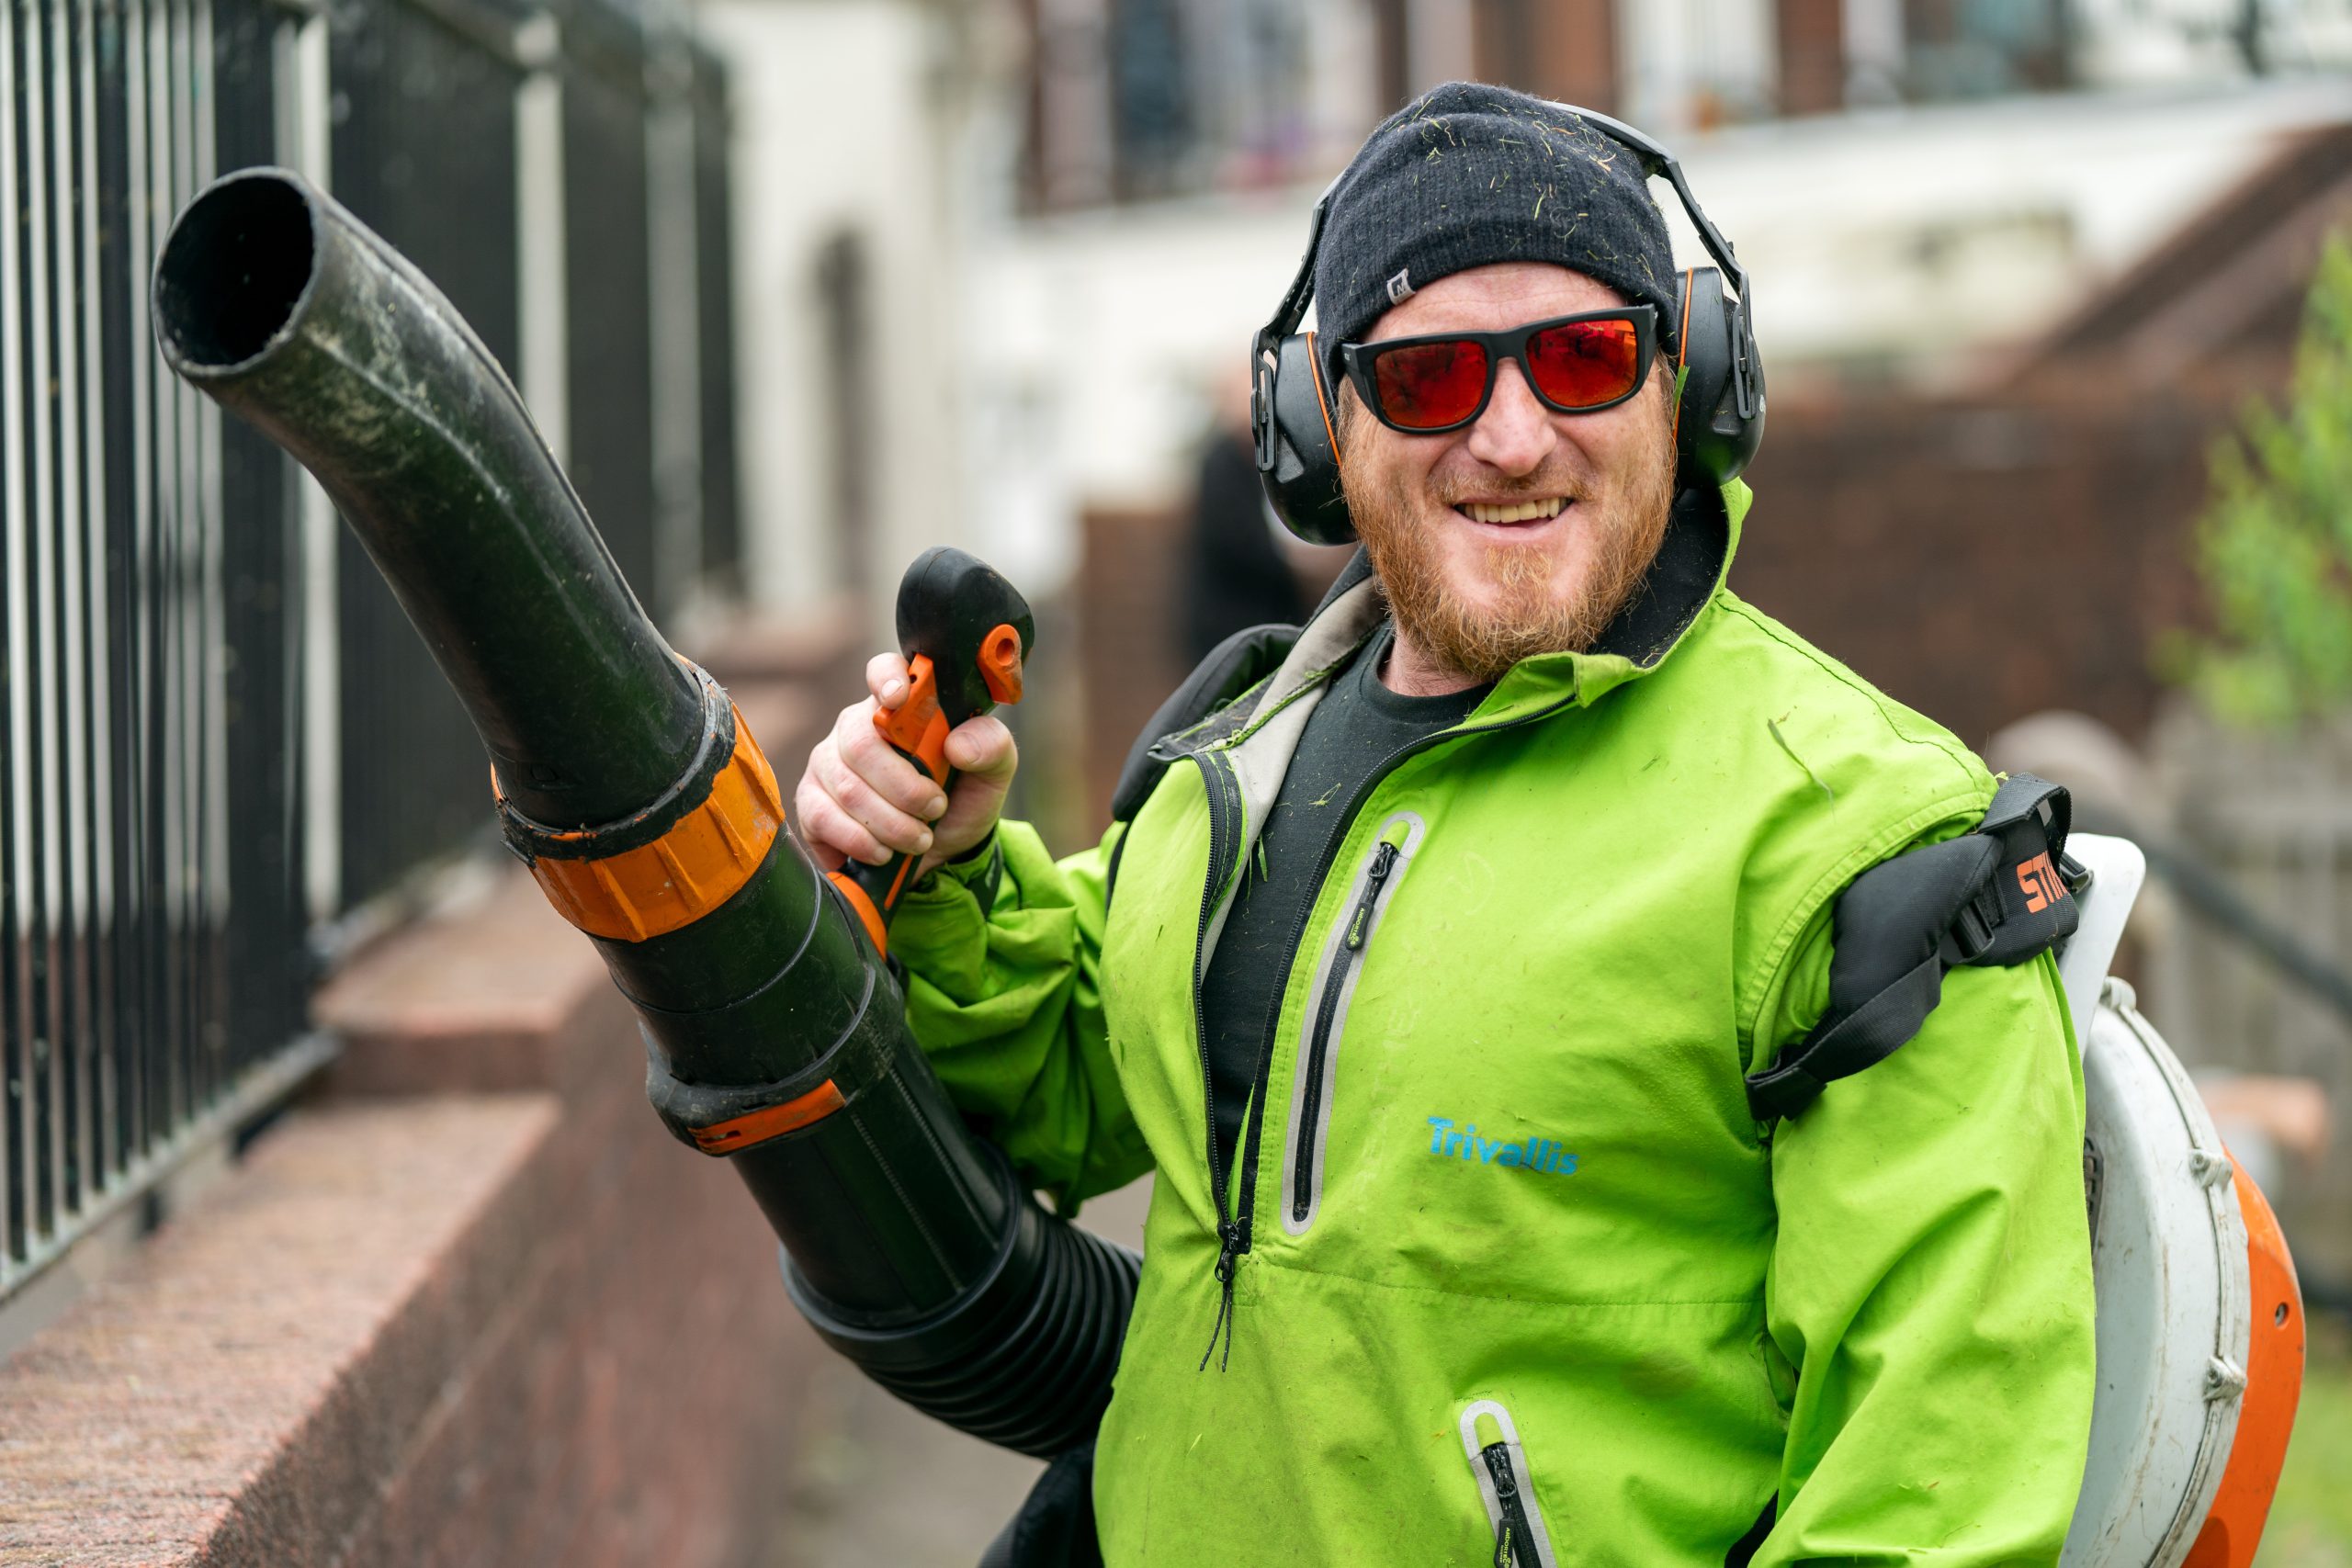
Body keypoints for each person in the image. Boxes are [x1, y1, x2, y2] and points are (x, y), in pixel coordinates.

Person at [795, 82, 2095, 1568]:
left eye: (1585, 358)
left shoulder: (1867, 846)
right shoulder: (1244, 754)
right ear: (1320, 429)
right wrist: (950, 867)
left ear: (1688, 386)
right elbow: (1075, 1083)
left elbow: (1936, 1493)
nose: (1515, 436)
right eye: (1428, 381)